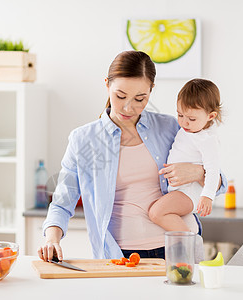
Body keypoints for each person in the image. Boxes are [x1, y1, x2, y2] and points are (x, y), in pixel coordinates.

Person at [38, 51, 227, 262]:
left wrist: (196, 172)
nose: (129, 107)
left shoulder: (171, 127)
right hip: (120, 255)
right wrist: (51, 238)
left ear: (151, 91)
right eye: (120, 96)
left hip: (177, 247)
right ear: (107, 86)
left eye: (140, 98)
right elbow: (62, 201)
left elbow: (219, 184)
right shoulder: (84, 140)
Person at [148, 79, 222, 232]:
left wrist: (208, 196)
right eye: (180, 115)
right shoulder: (187, 131)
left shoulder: (207, 140)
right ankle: (189, 241)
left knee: (156, 213)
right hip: (179, 190)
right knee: (160, 213)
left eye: (191, 119)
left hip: (189, 193)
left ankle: (191, 245)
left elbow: (213, 170)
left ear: (210, 116)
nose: (184, 123)